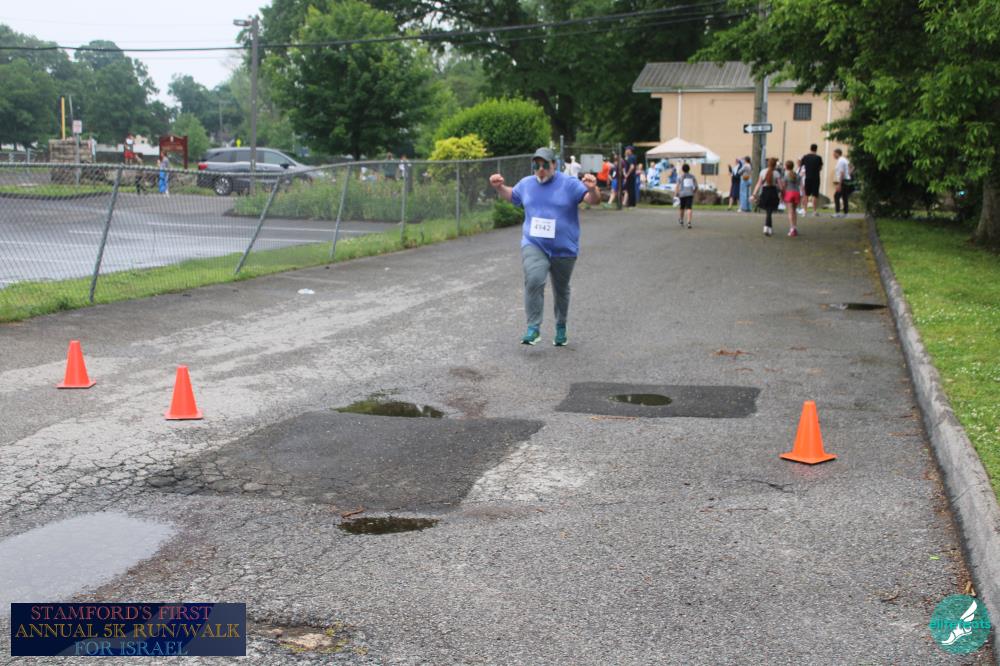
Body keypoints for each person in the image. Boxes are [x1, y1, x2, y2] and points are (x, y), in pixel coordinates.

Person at [489, 147, 602, 347]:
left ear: (554, 165)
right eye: (537, 165)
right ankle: (533, 328)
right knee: (534, 279)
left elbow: (593, 201)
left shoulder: (569, 183)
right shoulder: (526, 184)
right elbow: (512, 195)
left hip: (564, 248)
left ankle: (561, 326)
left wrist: (593, 189)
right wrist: (499, 187)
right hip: (535, 244)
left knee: (561, 289)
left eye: (545, 165)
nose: (541, 169)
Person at [751, 157, 782, 236]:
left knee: (768, 211)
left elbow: (759, 184)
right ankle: (768, 227)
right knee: (769, 211)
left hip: (765, 192)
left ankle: (767, 227)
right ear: (775, 165)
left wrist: (754, 194)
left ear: (768, 164)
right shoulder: (776, 173)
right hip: (773, 192)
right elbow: (780, 186)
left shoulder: (763, 172)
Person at [800, 144, 823, 216]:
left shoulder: (805, 157)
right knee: (815, 194)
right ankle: (814, 211)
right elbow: (820, 168)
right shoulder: (818, 158)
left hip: (807, 177)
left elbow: (802, 166)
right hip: (816, 177)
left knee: (806, 194)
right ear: (816, 149)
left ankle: (805, 211)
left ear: (810, 148)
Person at [674, 163, 698, 228]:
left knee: (682, 207)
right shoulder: (692, 176)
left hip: (682, 194)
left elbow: (677, 186)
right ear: (689, 169)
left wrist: (676, 194)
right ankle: (689, 222)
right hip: (690, 194)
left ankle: (681, 219)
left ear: (682, 169)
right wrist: (694, 191)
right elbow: (696, 186)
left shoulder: (680, 177)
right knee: (689, 208)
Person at [782, 160, 801, 237]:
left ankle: (791, 228)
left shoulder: (786, 176)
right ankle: (795, 228)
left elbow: (784, 186)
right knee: (794, 211)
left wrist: (782, 195)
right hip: (796, 193)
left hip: (789, 193)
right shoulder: (797, 175)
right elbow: (800, 184)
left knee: (790, 211)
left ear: (786, 167)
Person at [833, 148, 852, 217]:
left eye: (834, 154)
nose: (833, 155)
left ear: (837, 153)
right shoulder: (844, 159)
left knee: (836, 196)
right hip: (847, 180)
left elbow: (842, 173)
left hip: (843, 180)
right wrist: (848, 174)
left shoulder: (840, 161)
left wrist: (839, 184)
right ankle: (846, 213)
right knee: (845, 196)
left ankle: (837, 212)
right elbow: (852, 166)